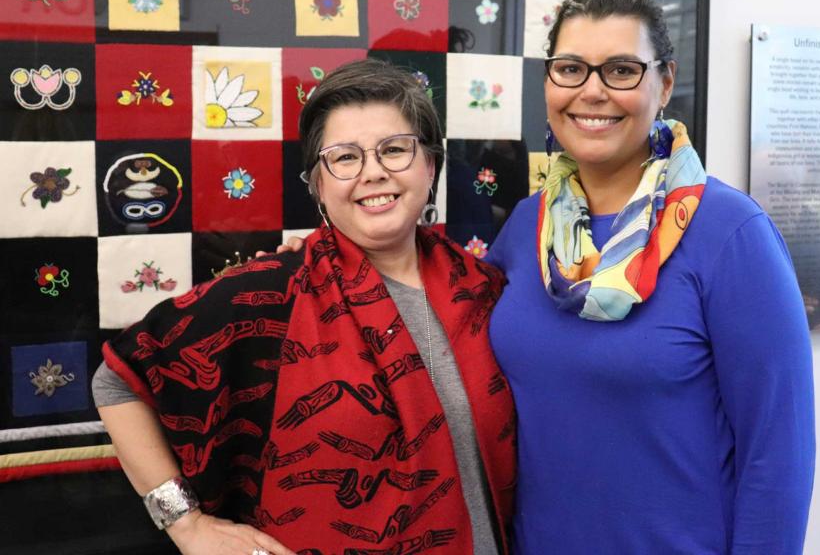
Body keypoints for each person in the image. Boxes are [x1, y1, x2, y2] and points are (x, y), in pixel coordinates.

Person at [277, 0, 815, 554]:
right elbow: (429, 278)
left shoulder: (730, 234)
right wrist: (330, 251)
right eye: (571, 69)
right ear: (549, 82)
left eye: (622, 70)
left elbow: (777, 457)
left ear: (665, 84)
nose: (593, 91)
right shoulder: (532, 225)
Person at [93, 59, 516, 555]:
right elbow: (116, 379)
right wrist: (185, 524)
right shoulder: (270, 294)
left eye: (395, 150)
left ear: (431, 165)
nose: (374, 172)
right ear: (317, 183)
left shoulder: (485, 289)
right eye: (344, 158)